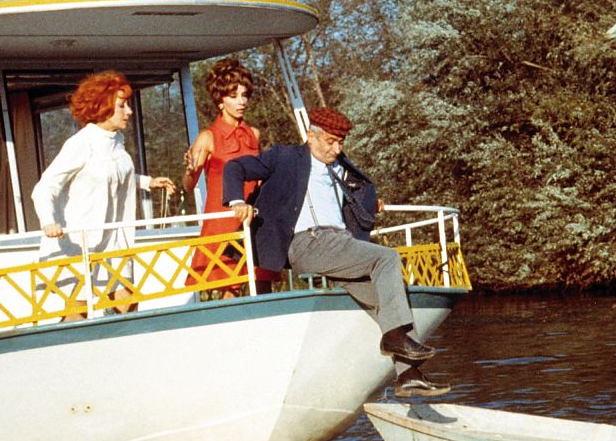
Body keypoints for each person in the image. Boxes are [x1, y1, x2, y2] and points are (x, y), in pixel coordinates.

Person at [222, 107, 450, 397]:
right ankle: (393, 339)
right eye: (330, 141)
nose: (336, 148)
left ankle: (409, 375)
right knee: (387, 257)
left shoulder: (339, 167)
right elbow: (235, 168)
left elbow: (354, 198)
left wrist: (371, 204)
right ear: (311, 136)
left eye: (340, 142)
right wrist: (235, 201)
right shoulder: (285, 157)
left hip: (339, 244)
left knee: (390, 295)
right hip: (308, 243)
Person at [31, 70, 175, 318]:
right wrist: (48, 221)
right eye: (121, 106)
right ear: (102, 107)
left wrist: (148, 182)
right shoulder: (81, 143)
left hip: (113, 239)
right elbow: (44, 188)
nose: (129, 111)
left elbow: (111, 174)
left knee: (127, 305)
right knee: (77, 313)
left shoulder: (116, 140)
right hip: (78, 241)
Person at [182, 58, 280, 295]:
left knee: (263, 286)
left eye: (245, 95)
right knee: (228, 292)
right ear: (220, 100)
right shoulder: (208, 137)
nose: (241, 101)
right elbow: (188, 186)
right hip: (222, 223)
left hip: (254, 220)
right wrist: (189, 170)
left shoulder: (254, 134)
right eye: (234, 96)